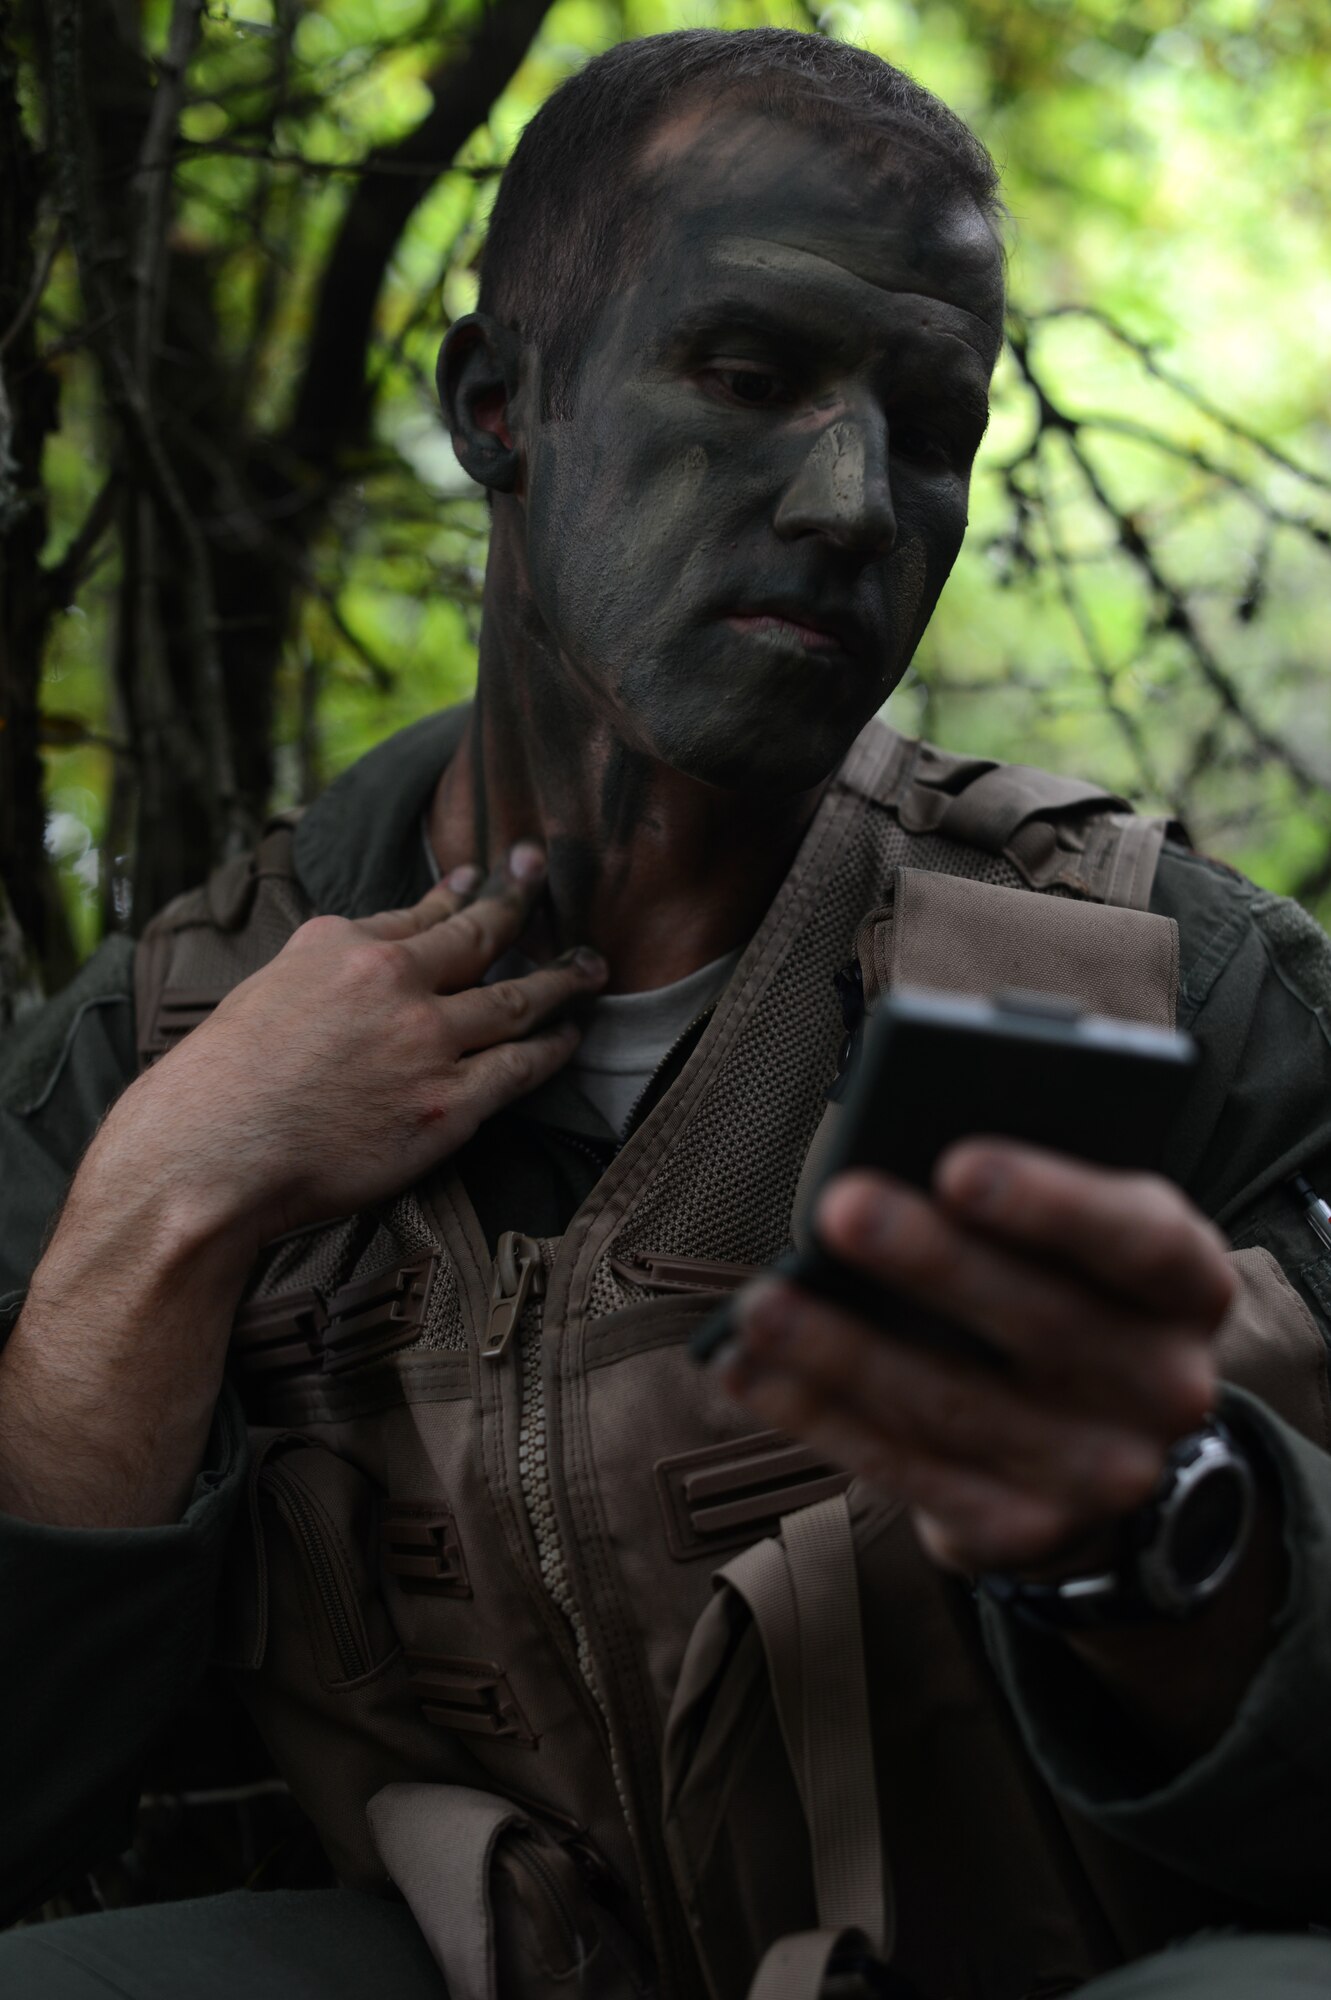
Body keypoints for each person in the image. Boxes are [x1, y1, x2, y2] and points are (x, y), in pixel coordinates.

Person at [3, 26, 1331, 1999]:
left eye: (935, 422)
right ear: (499, 403)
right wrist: (168, 1203)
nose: (855, 498)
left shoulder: (1171, 990)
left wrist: (1163, 1532)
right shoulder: (161, 1042)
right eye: (750, 374)